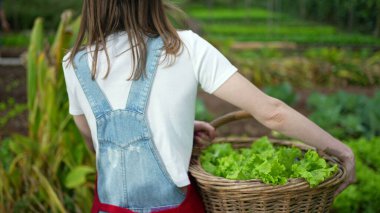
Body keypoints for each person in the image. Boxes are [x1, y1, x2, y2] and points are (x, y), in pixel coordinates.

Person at [62, 0, 355, 212]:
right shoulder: (185, 47)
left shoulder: (74, 63)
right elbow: (272, 113)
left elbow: (93, 136)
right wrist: (340, 149)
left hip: (107, 206)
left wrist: (175, 129)